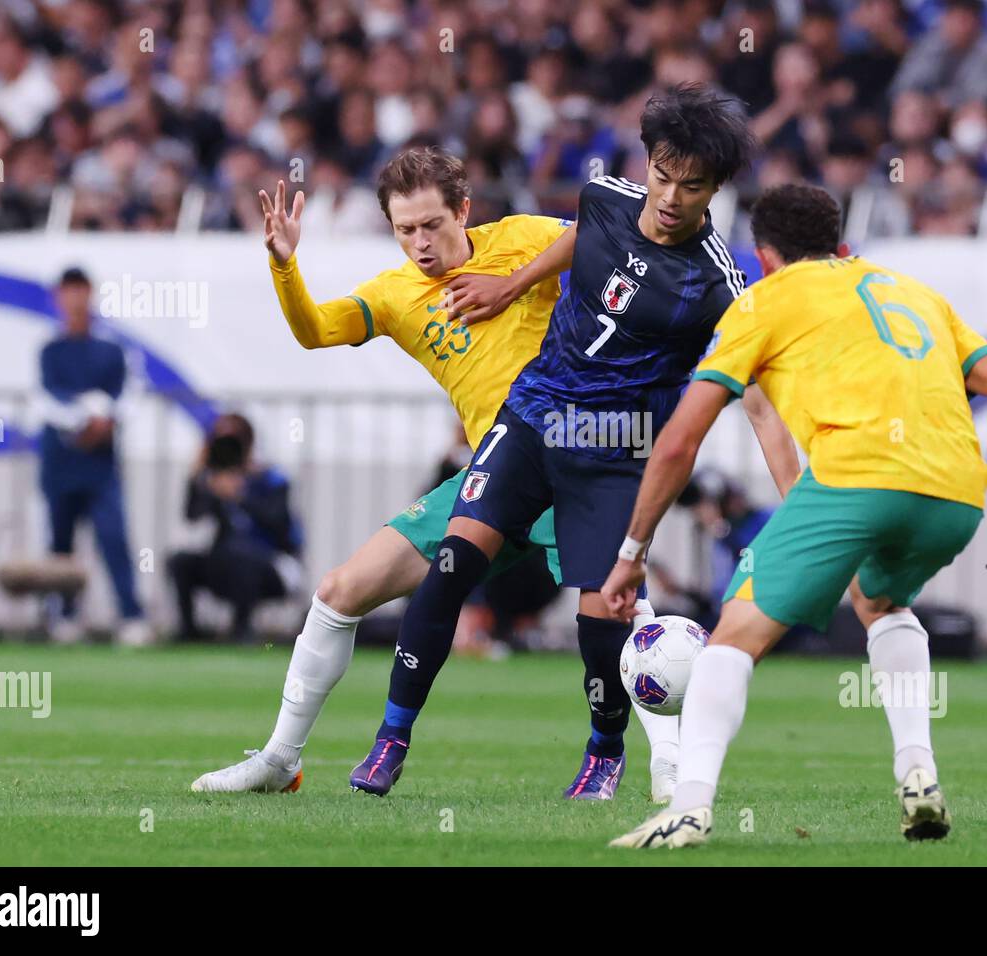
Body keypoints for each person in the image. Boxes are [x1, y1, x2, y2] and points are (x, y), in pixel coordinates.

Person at [352, 84, 800, 802]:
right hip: (533, 415)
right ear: (648, 163)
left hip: (616, 451)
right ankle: (391, 739)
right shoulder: (607, 198)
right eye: (662, 175)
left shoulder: (718, 286)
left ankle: (604, 750)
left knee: (602, 619)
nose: (670, 197)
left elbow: (761, 406)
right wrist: (509, 286)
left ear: (715, 189)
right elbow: (580, 233)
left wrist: (801, 509)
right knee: (451, 562)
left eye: (691, 186)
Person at [191, 147, 676, 797]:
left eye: (431, 226)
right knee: (340, 591)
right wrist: (285, 266)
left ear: (464, 211)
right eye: (404, 230)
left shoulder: (523, 238)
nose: (419, 244)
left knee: (617, 602)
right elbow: (316, 331)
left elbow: (609, 235)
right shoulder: (395, 296)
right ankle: (281, 760)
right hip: (492, 478)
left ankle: (672, 766)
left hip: (574, 456)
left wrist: (526, 284)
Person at [604, 182, 987, 849]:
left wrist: (634, 550)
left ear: (764, 258)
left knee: (733, 636)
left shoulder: (765, 299)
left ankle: (690, 806)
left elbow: (678, 440)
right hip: (956, 492)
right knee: (880, 603)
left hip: (857, 478)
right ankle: (917, 773)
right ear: (841, 246)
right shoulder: (914, 293)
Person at [38, 266, 151, 646]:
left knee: (113, 537)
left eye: (79, 291)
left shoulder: (111, 350)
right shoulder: (50, 350)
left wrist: (108, 420)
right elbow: (48, 397)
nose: (74, 300)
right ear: (59, 297)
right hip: (61, 461)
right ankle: (63, 616)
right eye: (67, 292)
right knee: (60, 541)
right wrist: (81, 420)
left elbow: (130, 394)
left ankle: (131, 615)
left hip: (101, 465)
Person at [167, 414, 303, 643]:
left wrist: (241, 496)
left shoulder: (271, 479)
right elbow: (191, 515)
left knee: (240, 555)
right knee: (180, 560)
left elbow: (279, 524)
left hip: (274, 566)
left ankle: (241, 630)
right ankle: (189, 632)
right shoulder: (215, 481)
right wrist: (197, 478)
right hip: (227, 564)